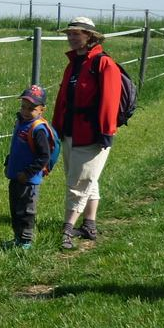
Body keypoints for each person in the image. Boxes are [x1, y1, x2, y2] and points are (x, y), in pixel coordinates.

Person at [51, 17, 122, 250]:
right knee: (87, 179)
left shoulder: (103, 64)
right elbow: (64, 98)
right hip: (71, 130)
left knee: (78, 182)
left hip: (91, 133)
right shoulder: (73, 63)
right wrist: (57, 125)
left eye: (76, 34)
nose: (71, 38)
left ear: (89, 36)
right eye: (69, 34)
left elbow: (110, 101)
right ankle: (89, 224)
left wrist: (104, 132)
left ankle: (68, 229)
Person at [3, 85, 52, 250]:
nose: (25, 111)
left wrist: (28, 173)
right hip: (16, 175)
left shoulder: (38, 129)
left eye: (31, 108)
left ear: (41, 110)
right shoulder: (21, 122)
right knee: (15, 209)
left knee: (26, 211)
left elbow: (44, 156)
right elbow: (16, 148)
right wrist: (8, 162)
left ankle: (26, 241)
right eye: (23, 106)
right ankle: (17, 237)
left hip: (29, 179)